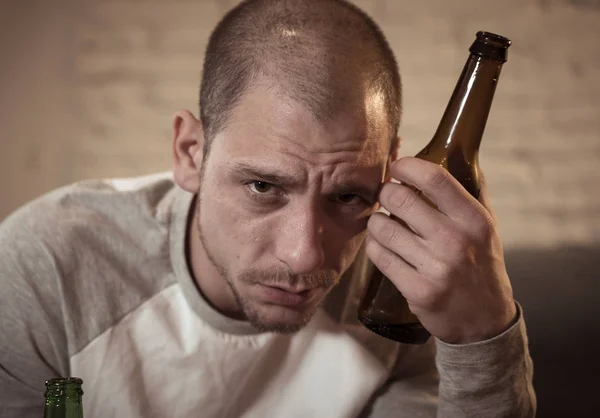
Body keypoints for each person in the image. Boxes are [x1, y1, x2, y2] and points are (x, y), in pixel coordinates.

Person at [0, 0, 536, 417]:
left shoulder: (402, 289)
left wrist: (484, 336)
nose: (305, 256)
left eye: (348, 195)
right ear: (192, 153)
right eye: (262, 186)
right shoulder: (46, 267)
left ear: (388, 168)